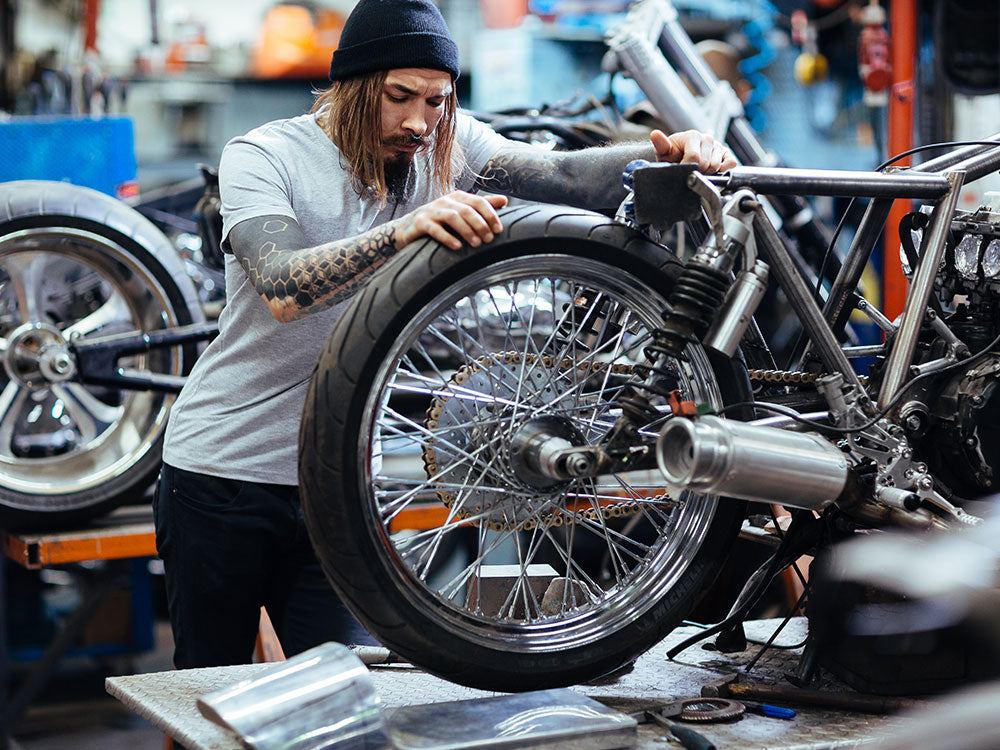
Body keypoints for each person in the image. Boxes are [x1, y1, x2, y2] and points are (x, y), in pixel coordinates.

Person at [153, 0, 738, 670]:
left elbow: (565, 176)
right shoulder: (264, 155)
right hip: (223, 473)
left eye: (436, 101)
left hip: (336, 479)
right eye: (399, 97)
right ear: (351, 88)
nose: (418, 122)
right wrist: (400, 233)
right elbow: (284, 288)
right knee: (210, 685)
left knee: (342, 688)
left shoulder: (446, 146)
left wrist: (668, 155)